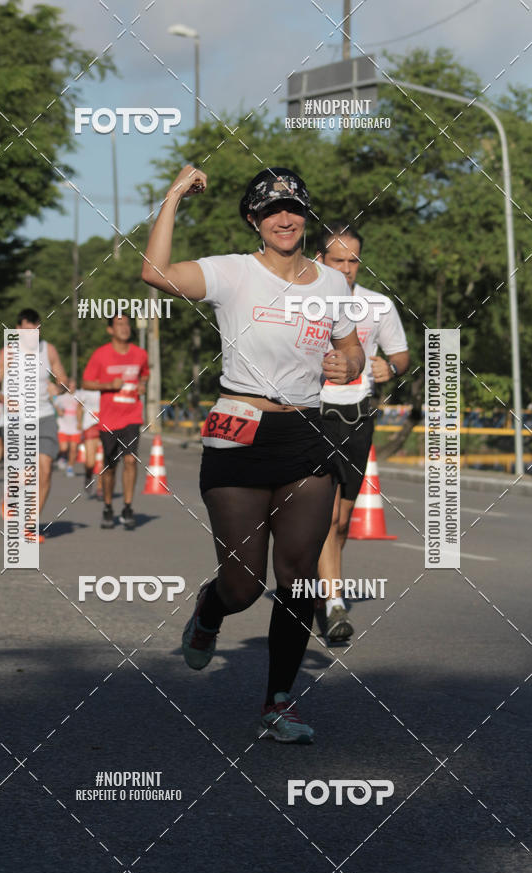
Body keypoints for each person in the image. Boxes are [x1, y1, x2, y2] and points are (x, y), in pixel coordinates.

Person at [142, 166, 365, 743]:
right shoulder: (233, 273)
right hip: (237, 426)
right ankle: (209, 613)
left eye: (292, 208)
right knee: (243, 584)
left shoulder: (332, 285)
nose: (284, 218)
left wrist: (349, 366)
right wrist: (172, 198)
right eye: (270, 211)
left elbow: (351, 350)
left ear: (305, 215)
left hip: (305, 434)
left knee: (297, 578)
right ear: (254, 221)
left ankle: (279, 704)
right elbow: (155, 272)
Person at [316, 223, 410, 641]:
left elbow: (402, 356)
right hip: (312, 416)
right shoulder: (302, 304)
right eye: (338, 260)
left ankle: (320, 584)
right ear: (321, 261)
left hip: (357, 418)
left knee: (342, 521)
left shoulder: (378, 306)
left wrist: (390, 368)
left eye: (353, 260)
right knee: (323, 513)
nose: (347, 268)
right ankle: (333, 601)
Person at [0, 308, 69, 542]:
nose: (32, 331)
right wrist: (5, 400)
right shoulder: (7, 353)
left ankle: (29, 526)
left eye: (35, 327)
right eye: (26, 327)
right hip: (17, 419)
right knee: (26, 473)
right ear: (18, 329)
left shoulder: (48, 350)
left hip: (44, 416)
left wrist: (58, 386)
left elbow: (63, 379)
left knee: (45, 470)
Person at [82, 315, 149, 530]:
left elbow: (144, 375)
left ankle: (128, 507)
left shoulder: (140, 354)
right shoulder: (101, 355)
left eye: (127, 324)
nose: (125, 328)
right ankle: (108, 506)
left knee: (130, 461)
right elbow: (86, 382)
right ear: (110, 330)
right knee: (110, 465)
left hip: (132, 415)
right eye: (119, 324)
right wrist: (109, 384)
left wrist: (142, 385)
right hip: (109, 419)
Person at [76, 386, 101, 496]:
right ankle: (88, 475)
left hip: (105, 425)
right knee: (90, 462)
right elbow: (79, 406)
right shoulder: (85, 389)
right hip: (89, 425)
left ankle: (101, 488)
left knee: (105, 460)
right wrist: (79, 422)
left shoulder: (108, 386)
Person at [54, 378, 81, 476]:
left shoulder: (79, 396)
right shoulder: (62, 398)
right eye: (70, 386)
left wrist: (80, 422)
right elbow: (55, 405)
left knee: (73, 449)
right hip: (63, 426)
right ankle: (62, 458)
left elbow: (81, 409)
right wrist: (59, 411)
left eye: (74, 386)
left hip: (75, 426)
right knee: (64, 448)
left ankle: (70, 467)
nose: (72, 388)